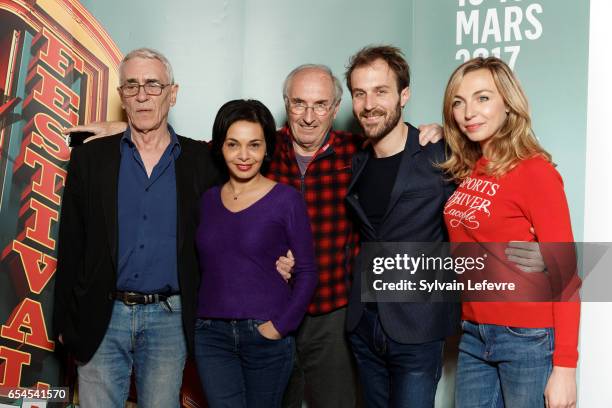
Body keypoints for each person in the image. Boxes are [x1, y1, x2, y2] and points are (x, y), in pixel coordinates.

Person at [53, 48, 219, 407]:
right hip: (101, 315)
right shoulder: (90, 159)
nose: (142, 95)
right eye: (132, 86)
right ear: (121, 96)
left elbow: (255, 153)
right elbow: (71, 243)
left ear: (172, 94)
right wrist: (63, 321)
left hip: (169, 320)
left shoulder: (201, 161)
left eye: (153, 85)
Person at [441, 57, 580, 408]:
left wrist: (565, 368)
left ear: (508, 104)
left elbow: (566, 277)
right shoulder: (471, 168)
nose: (468, 111)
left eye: (483, 98)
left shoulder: (536, 172)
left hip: (527, 338)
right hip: (473, 333)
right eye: (458, 102)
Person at [343, 45, 460, 408]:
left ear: (403, 95)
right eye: (360, 93)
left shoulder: (438, 154)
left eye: (381, 91)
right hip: (364, 324)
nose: (369, 104)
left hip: (417, 327)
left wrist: (450, 132)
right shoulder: (357, 161)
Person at [194, 99, 318, 407]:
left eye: (254, 145)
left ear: (267, 150)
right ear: (220, 147)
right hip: (211, 336)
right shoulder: (207, 200)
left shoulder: (286, 200)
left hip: (265, 334)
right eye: (233, 144)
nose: (244, 155)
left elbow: (307, 272)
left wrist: (279, 327)